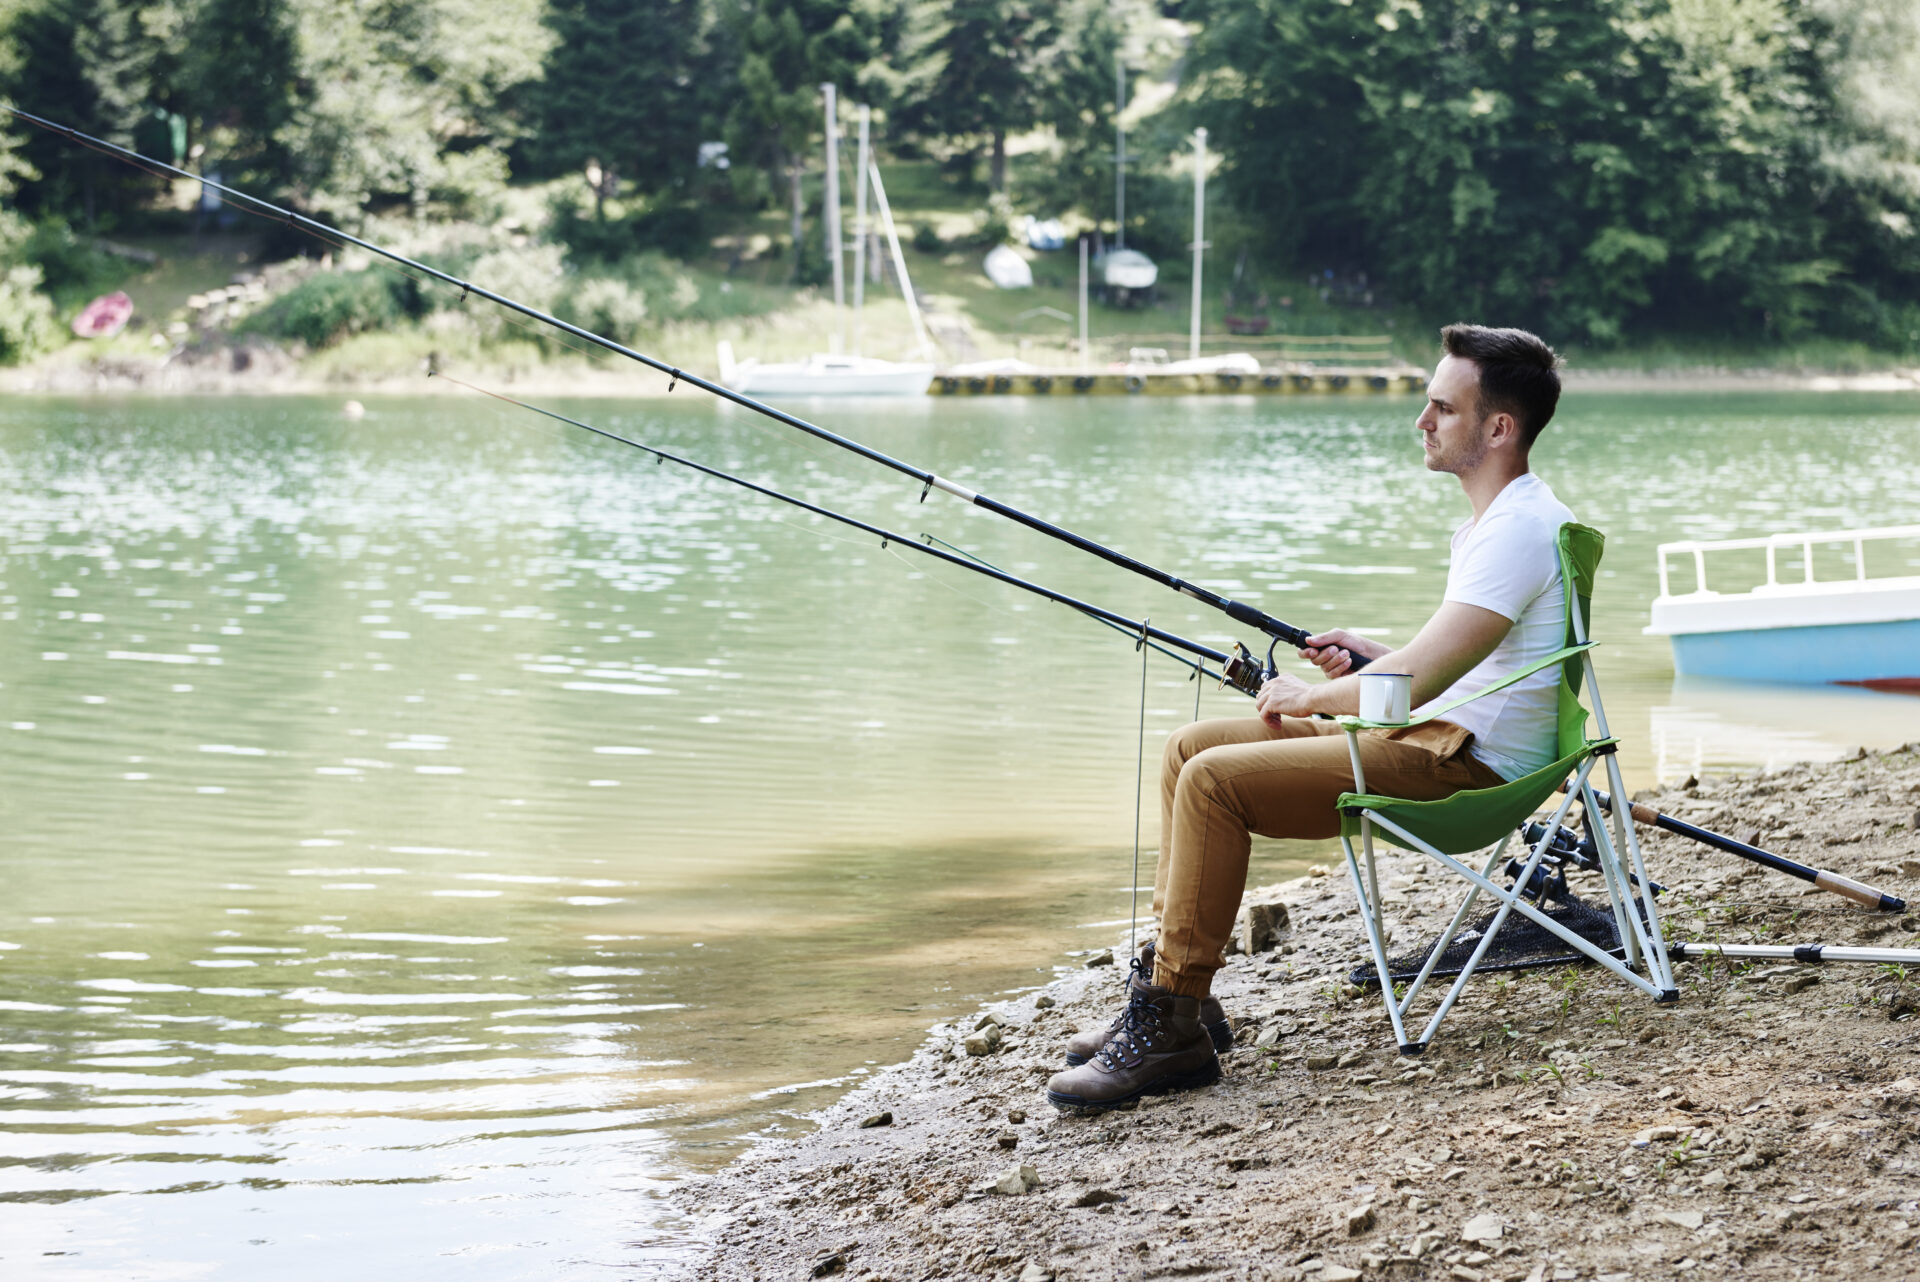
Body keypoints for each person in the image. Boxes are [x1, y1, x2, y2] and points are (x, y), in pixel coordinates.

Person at [1047, 323, 1573, 1110]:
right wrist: (1372, 655)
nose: (1421, 422)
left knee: (1214, 784)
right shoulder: (1497, 522)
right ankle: (1172, 986)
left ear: (1499, 428)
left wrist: (1309, 697)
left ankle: (1174, 1029)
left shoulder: (1518, 529)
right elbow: (1443, 670)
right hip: (1443, 735)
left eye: (1441, 408)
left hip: (1467, 769)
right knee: (1187, 748)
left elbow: (1416, 683)